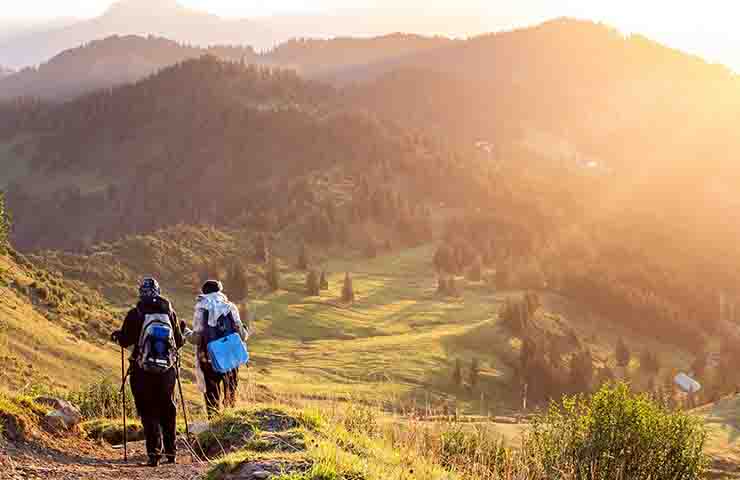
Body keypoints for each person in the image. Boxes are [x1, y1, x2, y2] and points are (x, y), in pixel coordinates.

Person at [111, 278, 184, 467]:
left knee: (147, 409)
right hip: (167, 371)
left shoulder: (136, 313)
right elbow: (179, 341)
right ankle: (171, 453)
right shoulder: (170, 312)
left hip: (141, 369)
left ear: (141, 293)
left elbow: (126, 341)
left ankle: (154, 455)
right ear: (158, 292)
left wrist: (117, 336)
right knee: (168, 408)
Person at [189, 280, 249, 417]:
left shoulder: (200, 308)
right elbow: (242, 335)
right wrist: (246, 331)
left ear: (204, 293)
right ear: (219, 291)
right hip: (230, 356)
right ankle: (230, 421)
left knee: (211, 393)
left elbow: (196, 339)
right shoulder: (229, 306)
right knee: (231, 392)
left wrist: (185, 332)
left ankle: (214, 424)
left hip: (208, 358)